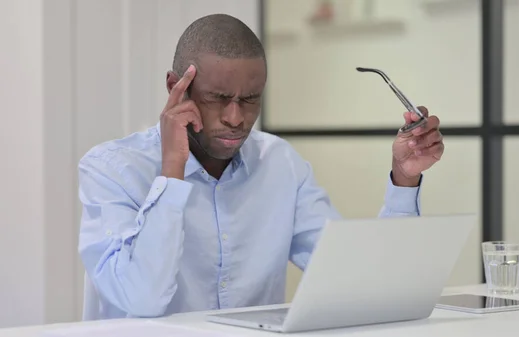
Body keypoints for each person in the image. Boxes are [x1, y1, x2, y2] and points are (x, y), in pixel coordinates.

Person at [77, 13, 445, 320]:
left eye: (250, 100)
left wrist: (405, 179)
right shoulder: (111, 170)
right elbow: (143, 298)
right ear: (178, 87)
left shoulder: (281, 165)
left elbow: (361, 284)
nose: (236, 118)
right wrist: (172, 168)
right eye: (218, 99)